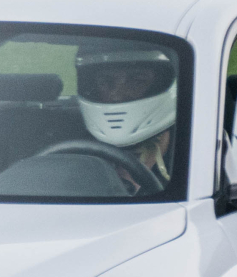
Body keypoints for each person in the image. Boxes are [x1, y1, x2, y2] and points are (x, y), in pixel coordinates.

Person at [74, 49, 177, 188]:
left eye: (136, 81)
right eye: (105, 82)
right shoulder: (76, 151)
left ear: (159, 84)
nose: (117, 95)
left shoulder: (192, 150)